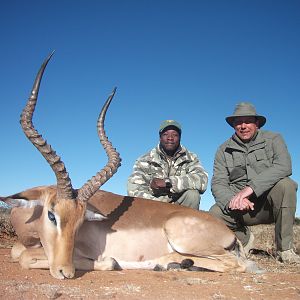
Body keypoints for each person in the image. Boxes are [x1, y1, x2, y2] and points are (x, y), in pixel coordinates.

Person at [209, 102, 299, 263]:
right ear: (233, 125)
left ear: (257, 123)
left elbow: (284, 166)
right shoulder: (223, 150)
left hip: (269, 206)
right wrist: (234, 200)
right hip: (242, 209)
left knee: (286, 185)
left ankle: (285, 250)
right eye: (238, 122)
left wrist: (250, 189)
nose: (243, 126)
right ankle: (244, 240)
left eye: (248, 121)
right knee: (215, 213)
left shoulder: (274, 139)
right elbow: (218, 183)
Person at [127, 120, 208, 209]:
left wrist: (168, 182)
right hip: (154, 207)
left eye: (175, 135)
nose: (170, 138)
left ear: (180, 137)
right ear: (160, 137)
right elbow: (133, 191)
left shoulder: (191, 158)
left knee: (192, 195)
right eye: (165, 134)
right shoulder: (145, 160)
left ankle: (187, 222)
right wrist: (154, 193)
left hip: (179, 205)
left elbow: (202, 180)